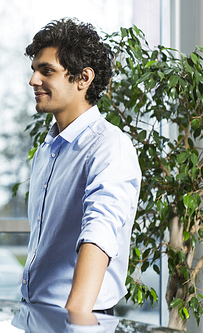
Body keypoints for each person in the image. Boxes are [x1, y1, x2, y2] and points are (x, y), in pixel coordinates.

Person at [16, 18, 141, 327]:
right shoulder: (47, 150)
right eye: (34, 70)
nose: (33, 80)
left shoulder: (110, 146)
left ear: (83, 78)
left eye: (46, 71)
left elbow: (99, 231)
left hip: (80, 320)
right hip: (35, 315)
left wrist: (76, 318)